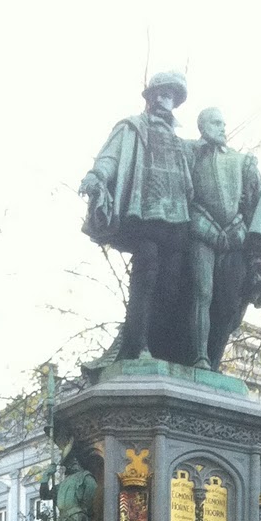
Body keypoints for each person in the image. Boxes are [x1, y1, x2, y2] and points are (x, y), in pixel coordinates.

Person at [79, 72, 193, 361]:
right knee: (146, 275)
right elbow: (111, 156)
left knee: (172, 283)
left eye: (169, 95)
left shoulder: (181, 142)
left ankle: (159, 346)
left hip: (178, 217)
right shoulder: (133, 127)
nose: (163, 99)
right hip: (146, 215)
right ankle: (138, 345)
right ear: (150, 98)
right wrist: (97, 175)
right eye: (159, 94)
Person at [179, 108, 261, 370]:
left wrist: (256, 246)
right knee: (203, 292)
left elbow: (257, 200)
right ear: (202, 126)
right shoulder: (188, 153)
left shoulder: (241, 161)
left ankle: (214, 359)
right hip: (201, 233)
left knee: (231, 302)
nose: (222, 128)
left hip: (235, 238)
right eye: (216, 123)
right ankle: (199, 355)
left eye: (223, 124)